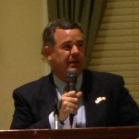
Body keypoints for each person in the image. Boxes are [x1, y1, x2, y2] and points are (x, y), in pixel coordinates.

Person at [10, 18, 139, 129]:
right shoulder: (28, 95)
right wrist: (57, 118)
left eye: (80, 44)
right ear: (48, 53)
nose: (76, 51)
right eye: (67, 46)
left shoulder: (111, 86)